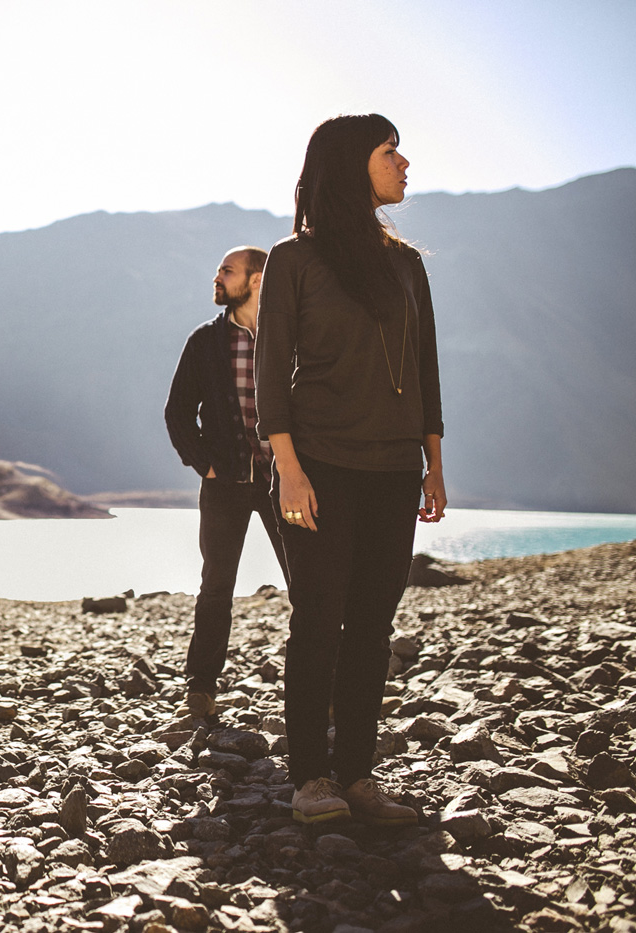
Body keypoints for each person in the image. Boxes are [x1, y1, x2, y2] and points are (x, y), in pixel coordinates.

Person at [255, 113, 446, 826]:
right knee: (318, 620)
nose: (404, 163)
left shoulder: (407, 265)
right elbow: (273, 373)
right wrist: (289, 468)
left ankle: (360, 774)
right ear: (347, 165)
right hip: (320, 468)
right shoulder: (294, 259)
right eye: (389, 151)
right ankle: (311, 777)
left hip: (396, 469)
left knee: (373, 626)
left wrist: (433, 462)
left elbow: (426, 367)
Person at [165, 247, 288, 719]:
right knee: (217, 584)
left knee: (307, 585)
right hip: (225, 483)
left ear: (256, 280)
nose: (217, 277)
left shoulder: (288, 338)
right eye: (219, 269)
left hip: (289, 483)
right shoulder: (205, 342)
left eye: (227, 271)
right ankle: (200, 688)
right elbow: (177, 413)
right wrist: (206, 466)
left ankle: (325, 688)